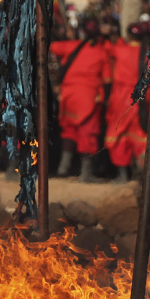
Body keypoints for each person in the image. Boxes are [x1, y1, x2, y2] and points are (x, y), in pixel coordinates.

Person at [50, 17, 112, 183]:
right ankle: (86, 173)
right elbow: (107, 80)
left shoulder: (72, 46)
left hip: (68, 97)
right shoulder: (101, 52)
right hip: (88, 99)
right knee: (88, 134)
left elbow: (52, 47)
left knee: (69, 131)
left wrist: (66, 37)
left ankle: (63, 168)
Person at [104, 22, 150, 183]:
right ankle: (145, 174)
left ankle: (123, 175)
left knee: (118, 132)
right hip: (144, 97)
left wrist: (110, 35)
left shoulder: (120, 50)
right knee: (141, 134)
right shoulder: (149, 53)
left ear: (129, 36)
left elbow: (106, 47)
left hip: (123, 97)